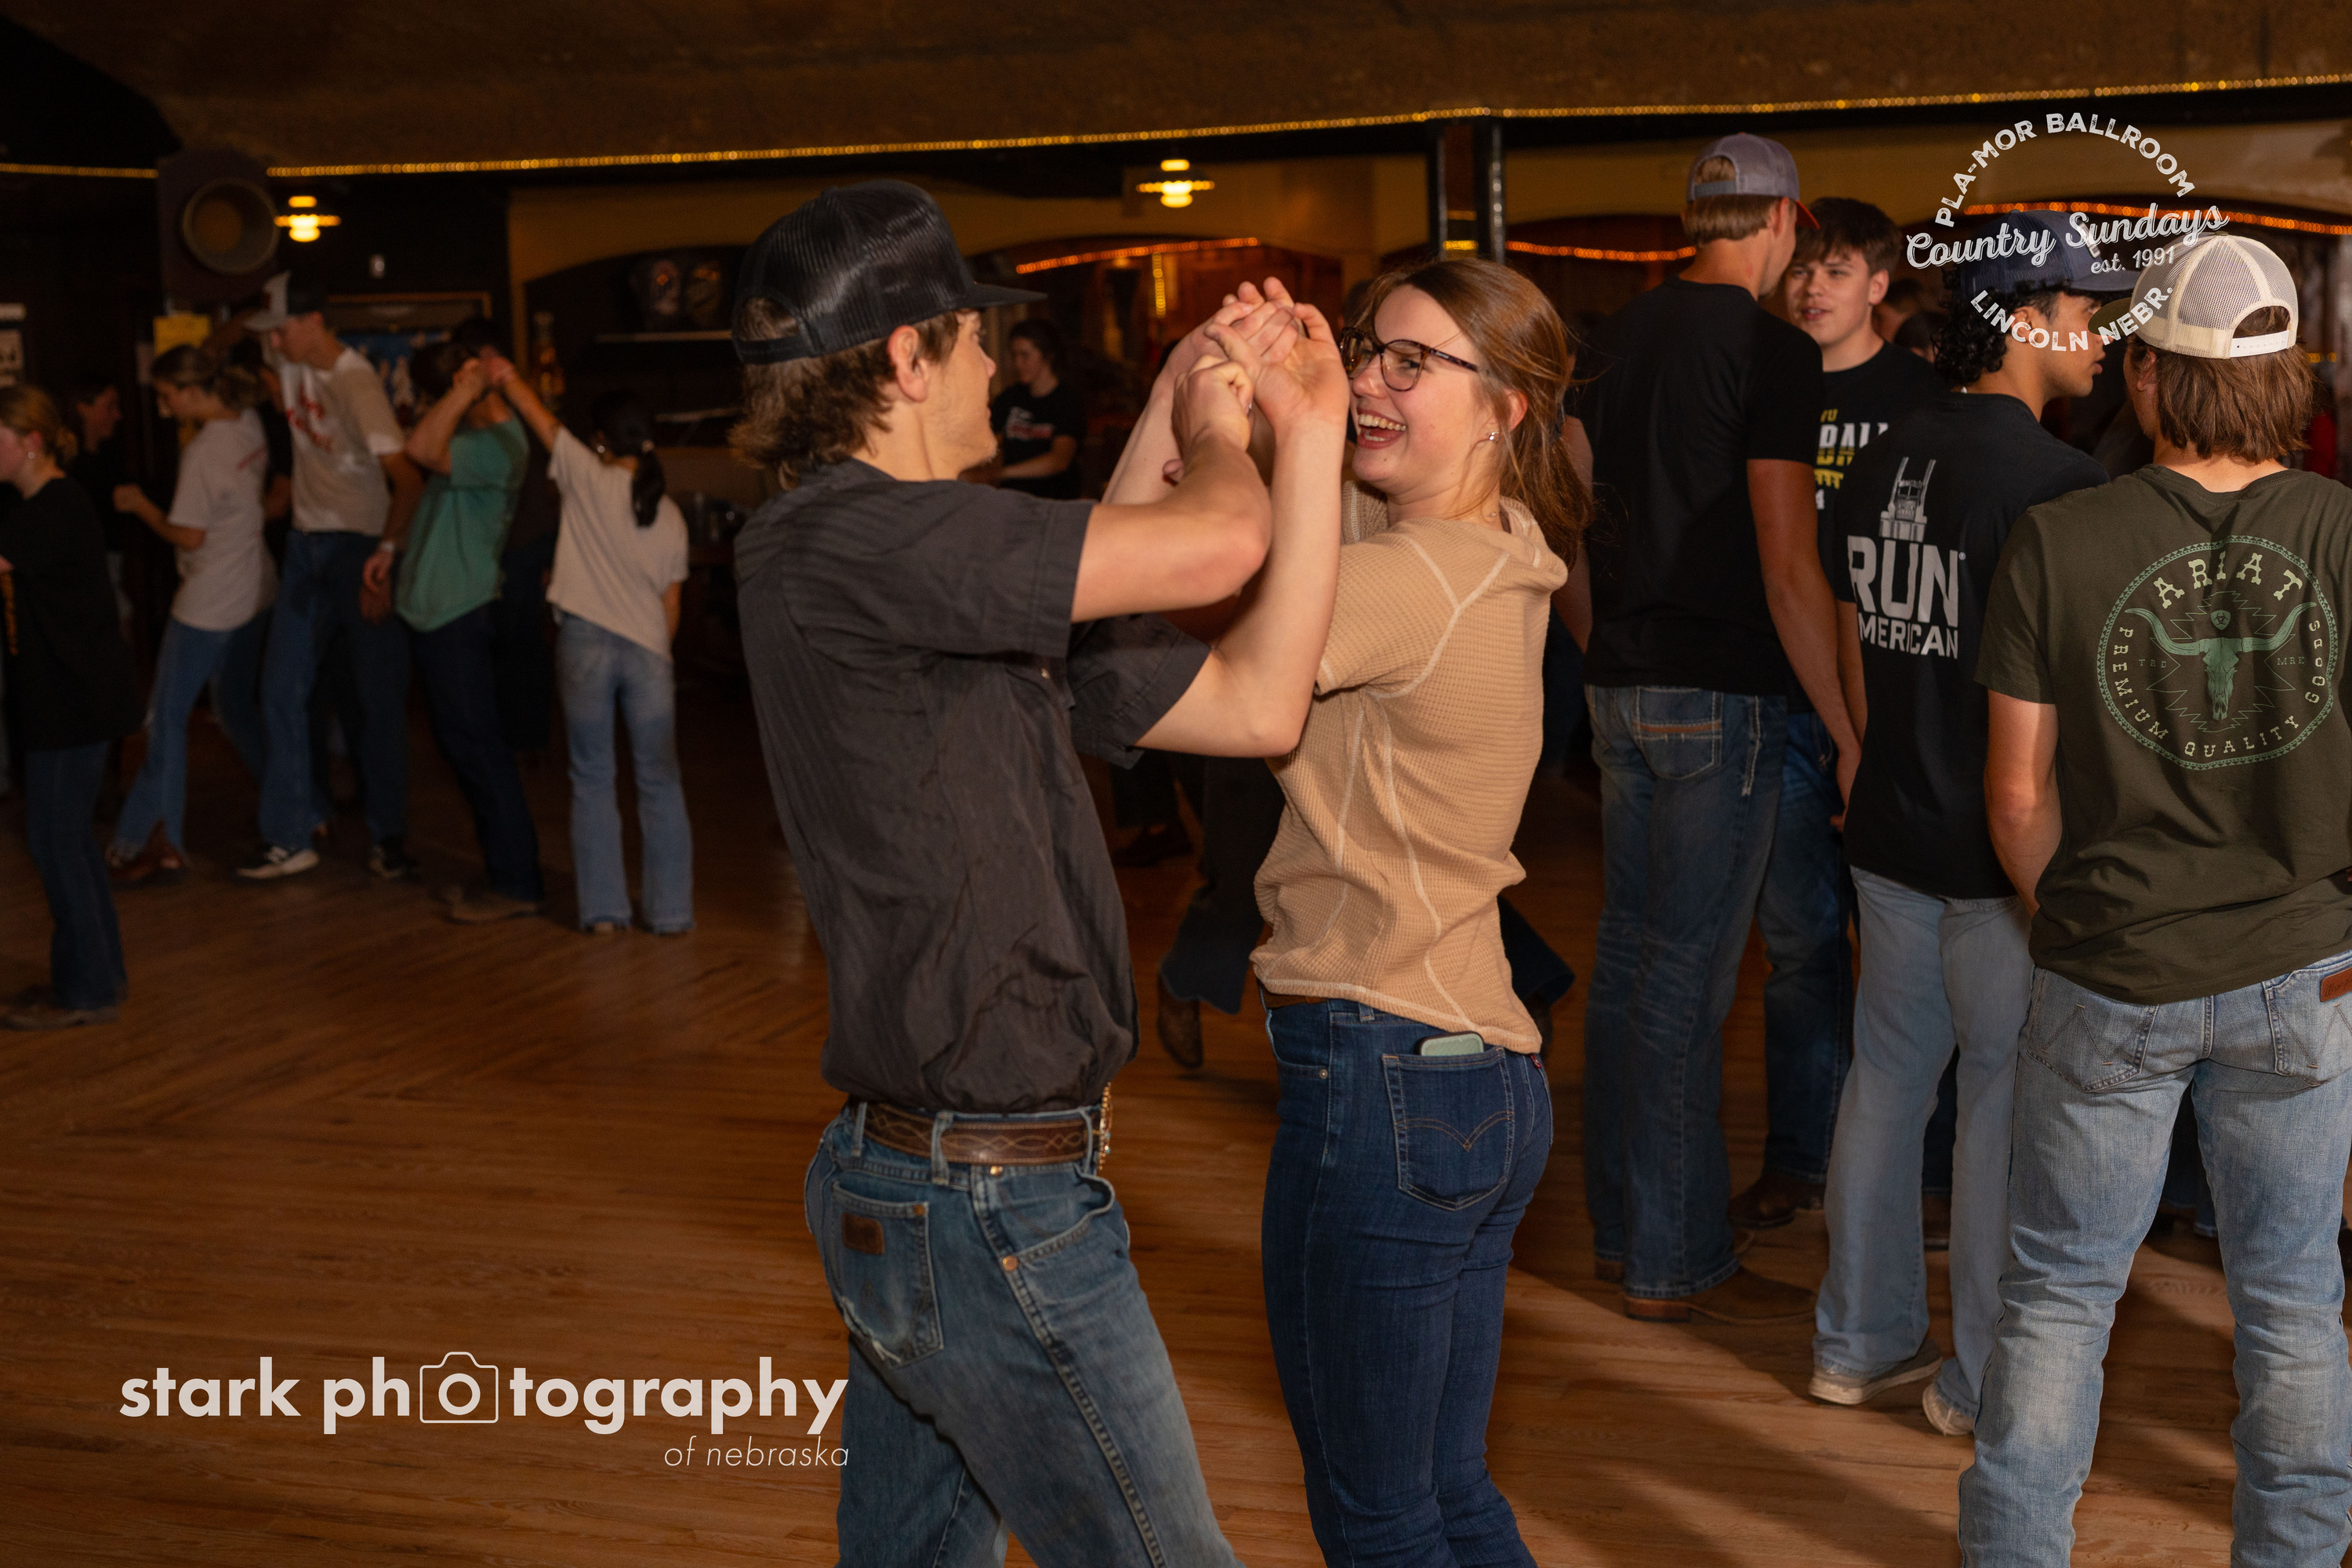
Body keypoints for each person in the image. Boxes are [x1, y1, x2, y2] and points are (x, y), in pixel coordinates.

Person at [729, 180, 1341, 1567]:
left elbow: (1260, 706)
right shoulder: (864, 537)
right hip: (985, 1208)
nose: (1001, 368)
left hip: (939, 1193)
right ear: (907, 358)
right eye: (975, 338)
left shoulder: (897, 562)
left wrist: (1274, 428)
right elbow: (1217, 543)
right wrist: (1216, 430)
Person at [1961, 233, 2352, 1563]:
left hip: (2108, 967)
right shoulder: (2344, 534)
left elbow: (2015, 797)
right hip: (2304, 970)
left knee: (2061, 1297)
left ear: (2146, 377)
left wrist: (2075, 918)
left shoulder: (2060, 538)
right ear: (2291, 377)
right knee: (2292, 1302)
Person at [1237, 256, 1580, 1566]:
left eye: (1412, 363)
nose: (1374, 381)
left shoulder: (1411, 579)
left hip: (1384, 1062)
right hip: (1474, 1071)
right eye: (1369, 348)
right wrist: (1295, 404)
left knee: (1380, 1522)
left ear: (1505, 408)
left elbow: (1234, 645)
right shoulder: (1499, 544)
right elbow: (1319, 520)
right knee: (1446, 1497)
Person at [1808, 212, 2126, 1436]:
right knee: (1998, 1104)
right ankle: (1983, 1380)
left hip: (1891, 822)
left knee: (1887, 1084)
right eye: (2088, 312)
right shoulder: (2057, 486)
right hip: (2004, 851)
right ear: (2026, 318)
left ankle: (1857, 1342)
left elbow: (1855, 627)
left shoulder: (1883, 455)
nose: (2103, 337)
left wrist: (1867, 752)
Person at [1569, 132, 1845, 1323]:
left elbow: (1564, 518)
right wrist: (1845, 725)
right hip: (1721, 691)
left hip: (1620, 685)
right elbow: (1788, 562)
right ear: (1781, 218)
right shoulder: (1773, 351)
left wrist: (1607, 649)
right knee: (1685, 977)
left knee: (1627, 964)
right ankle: (1675, 1255)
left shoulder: (1614, 335)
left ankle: (1621, 1232)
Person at [1731, 197, 1946, 1232]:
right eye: (1802, 267)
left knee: (1913, 948)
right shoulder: (1767, 378)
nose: (1812, 285)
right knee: (1800, 944)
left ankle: (1930, 1170)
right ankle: (1799, 1158)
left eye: (1838, 268)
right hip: (1781, 697)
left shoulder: (1918, 394)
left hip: (1892, 701)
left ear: (1879, 285)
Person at [489, 368, 695, 937]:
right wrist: (659, 656)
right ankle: (671, 912)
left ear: (601, 440)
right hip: (649, 652)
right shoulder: (670, 515)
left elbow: (541, 421)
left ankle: (604, 911)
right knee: (661, 780)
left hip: (584, 643)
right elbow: (671, 604)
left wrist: (505, 375)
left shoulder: (584, 474)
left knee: (592, 776)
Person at [236, 272, 424, 881]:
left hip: (358, 550)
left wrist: (387, 554)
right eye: (269, 331)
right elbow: (228, 341)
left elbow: (408, 480)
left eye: (281, 329)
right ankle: (291, 834)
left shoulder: (355, 382)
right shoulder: (288, 359)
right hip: (305, 546)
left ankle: (389, 837)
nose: (273, 342)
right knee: (280, 692)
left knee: (375, 701)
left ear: (313, 322)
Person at [104, 347, 277, 885]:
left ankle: (157, 842)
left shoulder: (203, 452)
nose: (163, 407)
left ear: (192, 391)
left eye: (166, 396)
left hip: (209, 601)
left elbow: (188, 535)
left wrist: (141, 507)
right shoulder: (248, 422)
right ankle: (298, 806)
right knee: (236, 708)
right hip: (254, 587)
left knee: (165, 719)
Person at [0, 386, 141, 1029]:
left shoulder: (55, 506)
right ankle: (98, 975)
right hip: (68, 695)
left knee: (55, 841)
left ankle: (87, 990)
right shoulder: (37, 505)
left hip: (75, 700)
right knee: (70, 840)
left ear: (30, 442)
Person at [396, 339, 542, 923]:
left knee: (479, 749)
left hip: (458, 614)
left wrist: (469, 385)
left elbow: (418, 449)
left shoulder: (501, 446)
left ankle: (517, 884)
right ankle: (506, 875)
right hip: (441, 612)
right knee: (466, 748)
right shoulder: (475, 436)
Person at [985, 317, 1085, 499]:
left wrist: (1001, 473)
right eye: (1014, 355)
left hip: (1055, 500)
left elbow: (1059, 460)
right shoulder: (1011, 397)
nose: (1017, 363)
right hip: (1013, 499)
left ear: (1048, 355)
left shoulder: (1066, 401)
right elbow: (985, 434)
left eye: (1025, 355)